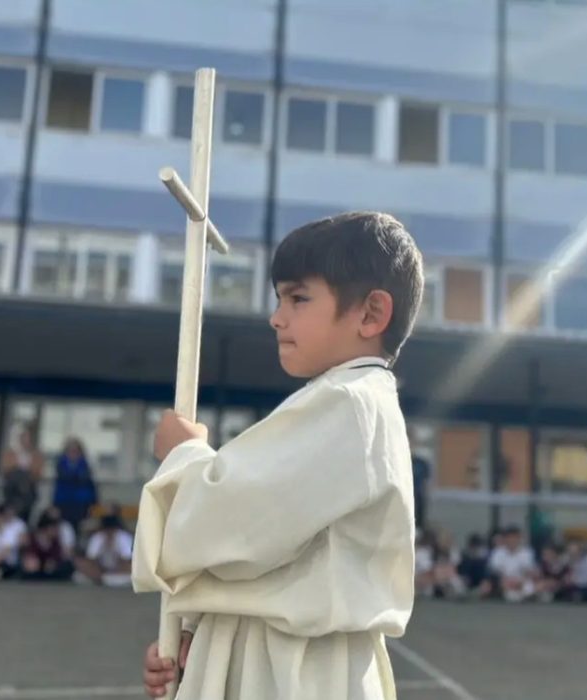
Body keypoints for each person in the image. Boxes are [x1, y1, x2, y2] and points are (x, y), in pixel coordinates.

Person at [137, 212, 423, 700]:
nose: (277, 316)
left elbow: (231, 526)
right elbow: (274, 551)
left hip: (294, 667)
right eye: (279, 299)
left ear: (371, 313)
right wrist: (200, 634)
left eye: (298, 297)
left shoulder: (349, 403)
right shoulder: (347, 401)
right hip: (281, 654)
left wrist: (180, 457)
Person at [1, 423, 45, 522]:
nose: (25, 441)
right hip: (13, 491)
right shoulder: (11, 453)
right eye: (23, 438)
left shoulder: (36, 455)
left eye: (27, 438)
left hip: (28, 491)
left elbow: (38, 473)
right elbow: (6, 469)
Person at [74, 514, 133, 586]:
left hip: (119, 571)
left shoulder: (124, 538)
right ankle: (101, 579)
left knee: (123, 577)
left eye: (111, 530)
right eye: (107, 530)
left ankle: (103, 580)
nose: (109, 532)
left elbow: (127, 561)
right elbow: (91, 560)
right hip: (100, 570)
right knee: (78, 574)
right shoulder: (97, 537)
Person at [52, 437, 97, 532]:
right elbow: (57, 490)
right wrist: (55, 505)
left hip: (81, 506)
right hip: (64, 505)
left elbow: (91, 490)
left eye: (75, 451)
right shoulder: (61, 468)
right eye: (70, 451)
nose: (73, 454)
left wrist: (92, 505)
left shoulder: (85, 469)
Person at [487, 525, 538, 602]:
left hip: (521, 581)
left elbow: (529, 571)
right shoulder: (498, 552)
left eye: (515, 538)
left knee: (529, 588)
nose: (512, 540)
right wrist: (506, 580)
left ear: (519, 538)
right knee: (509, 594)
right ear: (505, 539)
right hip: (504, 581)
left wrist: (519, 581)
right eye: (509, 538)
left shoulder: (527, 552)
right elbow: (494, 571)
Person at [20, 513, 74, 582]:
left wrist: (53, 562)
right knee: (32, 564)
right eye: (54, 529)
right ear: (46, 528)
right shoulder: (32, 538)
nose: (56, 531)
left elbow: (58, 556)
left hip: (49, 571)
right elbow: (27, 554)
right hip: (33, 569)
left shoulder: (55, 541)